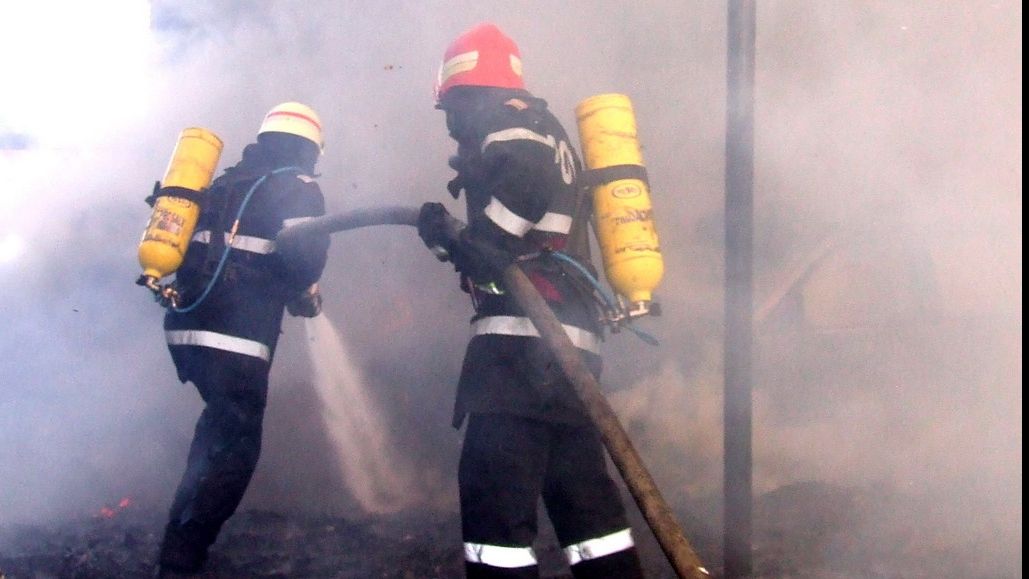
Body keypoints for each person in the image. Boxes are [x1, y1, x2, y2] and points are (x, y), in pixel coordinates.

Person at [417, 23, 645, 579]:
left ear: (462, 91)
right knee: (587, 508)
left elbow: (521, 189)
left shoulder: (507, 120)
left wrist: (480, 243)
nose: (450, 124)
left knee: (495, 511)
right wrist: (455, 239)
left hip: (520, 347)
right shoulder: (543, 124)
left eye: (450, 107)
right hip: (568, 347)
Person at [156, 102, 331, 577]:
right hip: (236, 338)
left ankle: (181, 534)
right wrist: (305, 294)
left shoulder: (221, 184)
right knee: (236, 448)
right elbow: (302, 260)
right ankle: (182, 557)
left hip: (187, 329)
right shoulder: (298, 186)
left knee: (217, 429)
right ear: (309, 148)